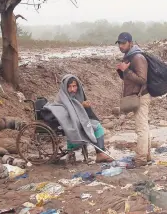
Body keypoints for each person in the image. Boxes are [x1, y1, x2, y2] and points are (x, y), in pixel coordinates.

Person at [44, 75, 113, 163]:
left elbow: (77, 109)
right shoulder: (62, 98)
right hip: (70, 123)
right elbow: (65, 113)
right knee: (96, 127)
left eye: (74, 86)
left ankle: (100, 153)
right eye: (69, 86)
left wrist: (84, 106)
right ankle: (99, 154)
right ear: (65, 87)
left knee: (97, 125)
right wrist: (81, 106)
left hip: (78, 120)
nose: (72, 89)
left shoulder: (75, 95)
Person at [115, 32, 151, 167]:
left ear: (130, 42)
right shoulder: (129, 56)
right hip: (137, 95)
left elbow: (142, 79)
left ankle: (141, 159)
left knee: (141, 129)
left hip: (141, 96)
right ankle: (146, 156)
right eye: (119, 43)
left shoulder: (138, 57)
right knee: (144, 127)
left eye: (123, 43)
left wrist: (127, 71)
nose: (121, 46)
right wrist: (122, 71)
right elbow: (129, 79)